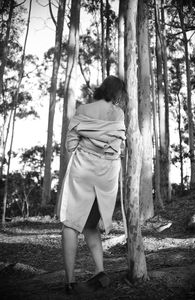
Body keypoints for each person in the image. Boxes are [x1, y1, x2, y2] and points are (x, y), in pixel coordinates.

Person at [56, 75, 127, 294]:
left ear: (101, 89)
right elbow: (119, 148)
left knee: (70, 224)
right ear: (117, 94)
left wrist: (88, 145)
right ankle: (100, 271)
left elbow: (70, 145)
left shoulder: (83, 110)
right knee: (90, 225)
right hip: (106, 175)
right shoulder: (118, 113)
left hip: (83, 170)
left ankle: (70, 281)